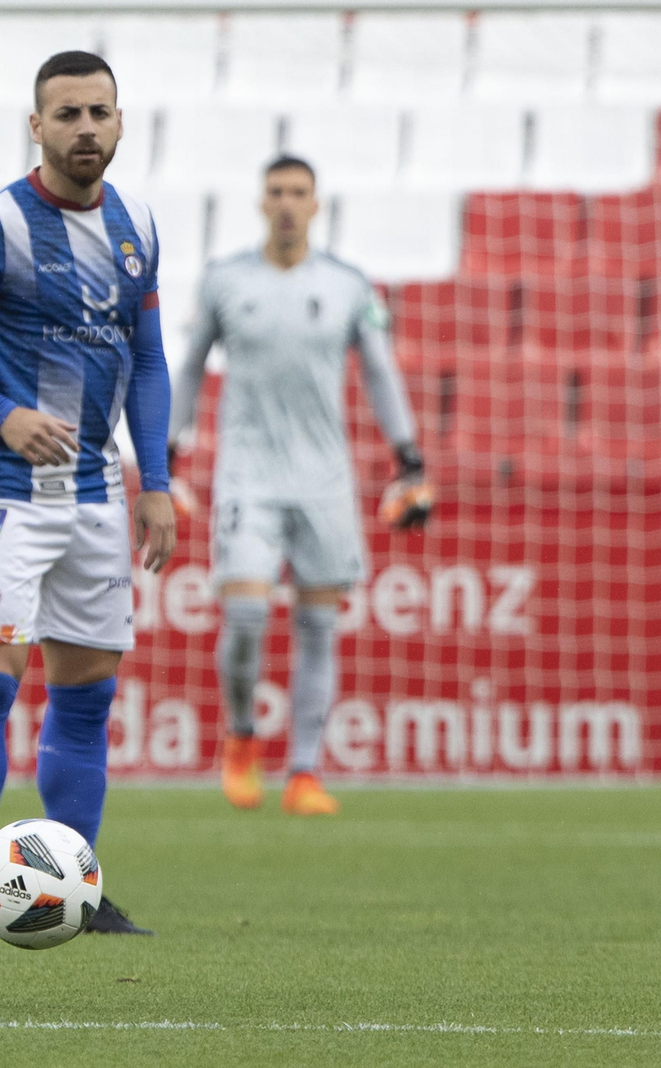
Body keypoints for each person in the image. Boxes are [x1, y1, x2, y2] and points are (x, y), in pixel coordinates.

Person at [0, 51, 176, 937]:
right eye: (67, 114)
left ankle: (72, 889)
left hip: (96, 491)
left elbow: (148, 361)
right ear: (38, 126)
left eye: (99, 112)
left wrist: (158, 482)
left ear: (121, 121)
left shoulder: (137, 221)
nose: (85, 128)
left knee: (87, 692)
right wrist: (5, 414)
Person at [169, 155, 431, 817]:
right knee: (247, 613)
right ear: (262, 203)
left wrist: (408, 457)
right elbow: (190, 369)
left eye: (299, 193)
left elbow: (378, 373)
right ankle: (240, 740)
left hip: (324, 480)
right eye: (277, 192)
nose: (287, 203)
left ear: (316, 205)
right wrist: (169, 454)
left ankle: (305, 773)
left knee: (318, 626)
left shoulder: (347, 286)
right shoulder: (225, 281)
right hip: (247, 476)